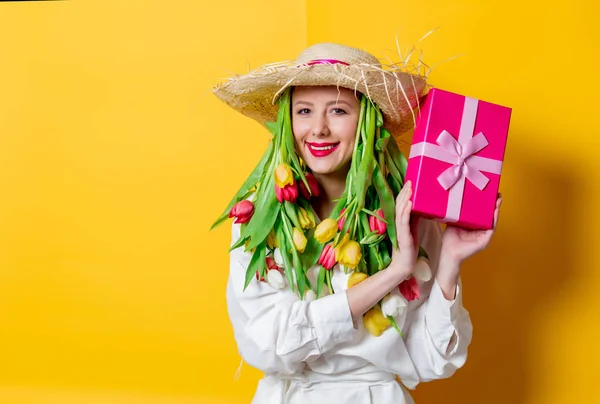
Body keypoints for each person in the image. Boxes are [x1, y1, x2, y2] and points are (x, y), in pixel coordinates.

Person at [211, 42, 502, 404]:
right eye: (304, 110)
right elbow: (266, 346)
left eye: (338, 110)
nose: (318, 129)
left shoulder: (407, 214)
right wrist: (394, 272)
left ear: (367, 119)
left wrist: (450, 263)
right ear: (288, 121)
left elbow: (430, 362)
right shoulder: (258, 217)